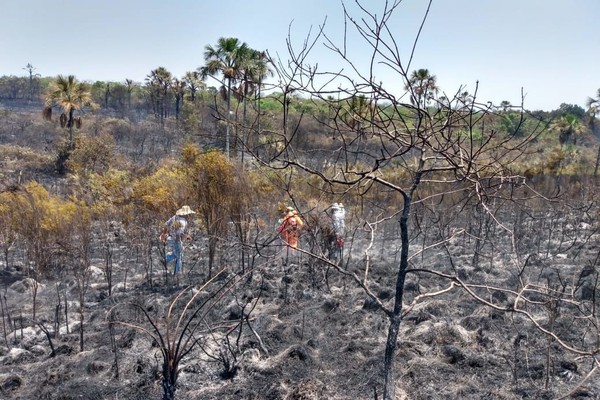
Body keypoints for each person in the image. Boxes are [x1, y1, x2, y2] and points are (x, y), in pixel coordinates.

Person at [159, 205, 196, 274]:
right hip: (176, 239)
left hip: (170, 238)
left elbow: (166, 225)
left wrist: (163, 234)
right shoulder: (183, 221)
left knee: (177, 253)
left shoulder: (174, 217)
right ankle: (178, 274)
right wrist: (186, 236)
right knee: (180, 256)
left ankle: (165, 259)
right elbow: (179, 233)